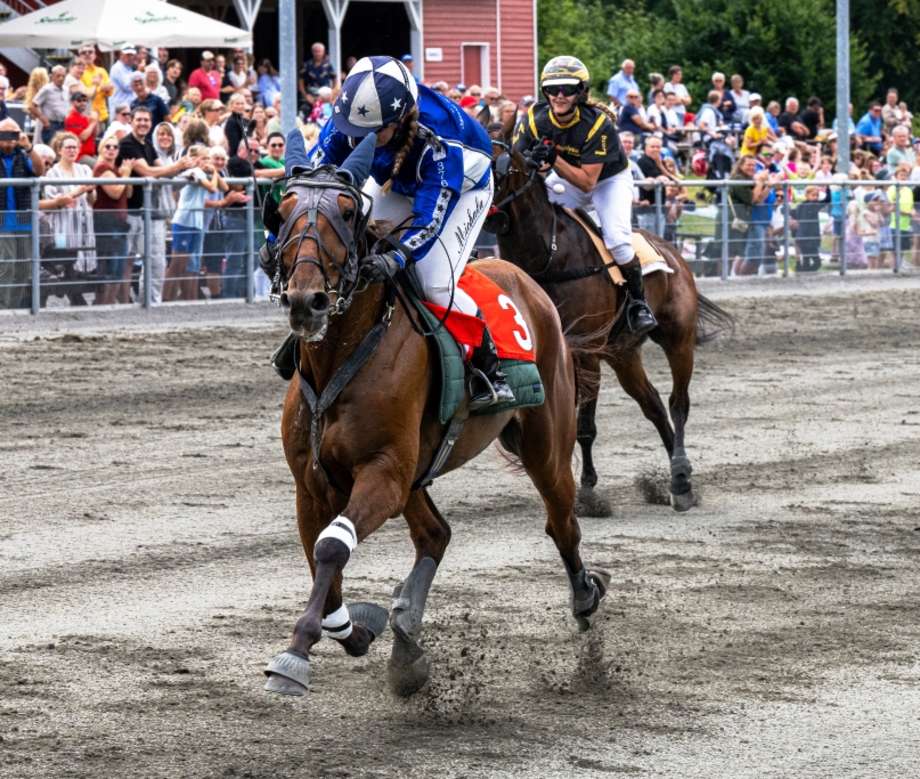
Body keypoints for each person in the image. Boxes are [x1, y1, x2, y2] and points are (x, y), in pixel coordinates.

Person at [288, 54, 513, 407]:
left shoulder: (440, 143)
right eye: (353, 131)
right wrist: (276, 239)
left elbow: (428, 220)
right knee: (350, 240)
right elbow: (312, 189)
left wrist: (396, 258)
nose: (358, 139)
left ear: (400, 119)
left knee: (433, 281)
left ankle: (489, 365)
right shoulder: (350, 119)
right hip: (394, 181)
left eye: (372, 133)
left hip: (463, 188)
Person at [513, 55, 657, 334]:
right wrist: (534, 162)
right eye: (552, 89)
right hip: (567, 175)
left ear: (581, 91)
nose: (559, 95)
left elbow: (587, 183)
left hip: (608, 181)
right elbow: (520, 161)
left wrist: (553, 159)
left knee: (618, 241)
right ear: (544, 91)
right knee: (539, 216)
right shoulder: (533, 118)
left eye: (567, 88)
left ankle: (638, 303)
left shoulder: (597, 124)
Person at [116, 107, 192, 303]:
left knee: (155, 260)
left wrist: (187, 170)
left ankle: (151, 301)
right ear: (131, 121)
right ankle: (123, 304)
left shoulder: (148, 144)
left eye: (146, 120)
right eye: (139, 120)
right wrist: (178, 166)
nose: (143, 123)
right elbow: (148, 172)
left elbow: (163, 171)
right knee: (126, 261)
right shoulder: (127, 144)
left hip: (148, 213)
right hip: (129, 213)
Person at [163, 144, 223, 301]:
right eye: (204, 158)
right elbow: (213, 188)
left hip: (196, 223)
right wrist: (215, 173)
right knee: (177, 263)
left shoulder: (203, 173)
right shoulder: (194, 172)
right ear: (195, 159)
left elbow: (224, 186)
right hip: (184, 221)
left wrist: (214, 173)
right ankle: (166, 298)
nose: (207, 162)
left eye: (208, 158)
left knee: (188, 265)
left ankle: (187, 298)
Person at [0, 118, 44, 309]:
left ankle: (13, 306)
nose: (9, 140)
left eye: (13, 134)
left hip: (22, 218)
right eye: (4, 135)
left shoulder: (23, 155)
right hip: (2, 220)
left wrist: (29, 147)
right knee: (6, 265)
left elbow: (39, 171)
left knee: (24, 268)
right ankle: (2, 307)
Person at [41, 132, 97, 282]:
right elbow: (52, 202)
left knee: (84, 271)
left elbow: (93, 201)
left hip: (85, 226)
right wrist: (79, 190)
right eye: (68, 147)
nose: (72, 150)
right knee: (65, 268)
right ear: (59, 150)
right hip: (62, 227)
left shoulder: (85, 169)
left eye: (75, 147)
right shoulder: (52, 173)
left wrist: (89, 191)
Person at [93, 135, 133, 305]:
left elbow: (128, 193)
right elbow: (115, 193)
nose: (111, 149)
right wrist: (126, 175)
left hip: (118, 222)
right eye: (107, 146)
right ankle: (103, 304)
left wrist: (125, 176)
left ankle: (109, 304)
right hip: (107, 221)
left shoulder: (116, 170)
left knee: (118, 266)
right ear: (101, 149)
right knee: (110, 265)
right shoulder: (102, 168)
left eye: (115, 147)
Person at [30, 65, 69, 144]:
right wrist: (44, 119)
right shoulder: (47, 89)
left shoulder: (66, 89)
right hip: (51, 124)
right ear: (52, 77)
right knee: (50, 146)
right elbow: (33, 106)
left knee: (60, 147)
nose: (61, 78)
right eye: (58, 76)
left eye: (63, 76)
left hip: (62, 124)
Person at [78, 45, 114, 126]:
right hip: (87, 117)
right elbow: (84, 95)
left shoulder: (101, 71)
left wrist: (101, 86)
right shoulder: (79, 73)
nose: (87, 54)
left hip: (102, 116)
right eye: (84, 52)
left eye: (90, 52)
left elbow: (110, 92)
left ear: (95, 55)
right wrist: (101, 87)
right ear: (80, 56)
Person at [109, 46, 138, 114]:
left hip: (128, 106)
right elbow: (127, 87)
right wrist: (138, 72)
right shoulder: (117, 68)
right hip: (119, 107)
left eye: (132, 55)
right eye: (128, 55)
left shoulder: (129, 68)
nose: (130, 57)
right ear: (121, 55)